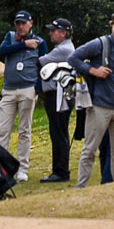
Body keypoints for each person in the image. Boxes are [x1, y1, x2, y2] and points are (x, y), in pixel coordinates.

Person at [70, 9, 114, 186]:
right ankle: (81, 188)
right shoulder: (100, 44)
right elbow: (73, 58)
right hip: (99, 106)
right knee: (90, 150)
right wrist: (93, 70)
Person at [0, 10, 44, 182]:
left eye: (24, 23)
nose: (21, 27)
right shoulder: (10, 37)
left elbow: (43, 65)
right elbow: (3, 50)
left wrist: (37, 88)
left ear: (31, 23)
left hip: (27, 89)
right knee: (3, 130)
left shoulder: (39, 42)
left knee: (24, 130)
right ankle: (1, 167)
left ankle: (23, 168)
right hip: (9, 90)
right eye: (18, 24)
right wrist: (24, 45)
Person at [37, 18, 76, 183]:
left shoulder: (63, 49)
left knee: (58, 132)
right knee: (59, 132)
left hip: (59, 95)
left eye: (54, 31)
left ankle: (60, 171)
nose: (50, 33)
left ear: (63, 33)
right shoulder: (63, 48)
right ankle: (59, 170)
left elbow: (39, 62)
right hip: (59, 94)